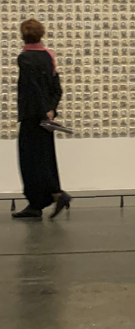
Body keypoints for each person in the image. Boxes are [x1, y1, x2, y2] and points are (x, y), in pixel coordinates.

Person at [14, 18, 71, 220]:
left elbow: (33, 89)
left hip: (32, 116)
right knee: (45, 158)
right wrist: (51, 111)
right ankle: (43, 200)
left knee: (29, 161)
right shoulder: (48, 56)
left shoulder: (24, 57)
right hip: (45, 117)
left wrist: (42, 114)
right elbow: (56, 89)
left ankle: (50, 197)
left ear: (23, 35)